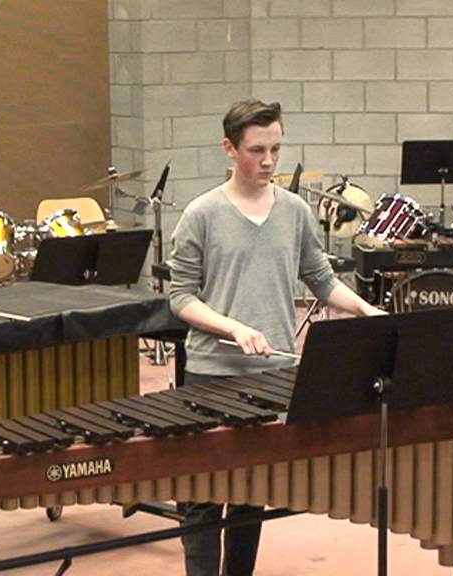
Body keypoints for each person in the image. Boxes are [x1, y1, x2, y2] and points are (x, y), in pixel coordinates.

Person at [168, 99, 384, 576]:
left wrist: (365, 309)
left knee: (251, 495)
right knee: (203, 498)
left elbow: (321, 280)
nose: (268, 162)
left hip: (274, 375)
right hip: (212, 373)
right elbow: (179, 297)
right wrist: (234, 327)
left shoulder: (294, 211)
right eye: (256, 150)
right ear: (229, 149)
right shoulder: (201, 213)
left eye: (276, 150)